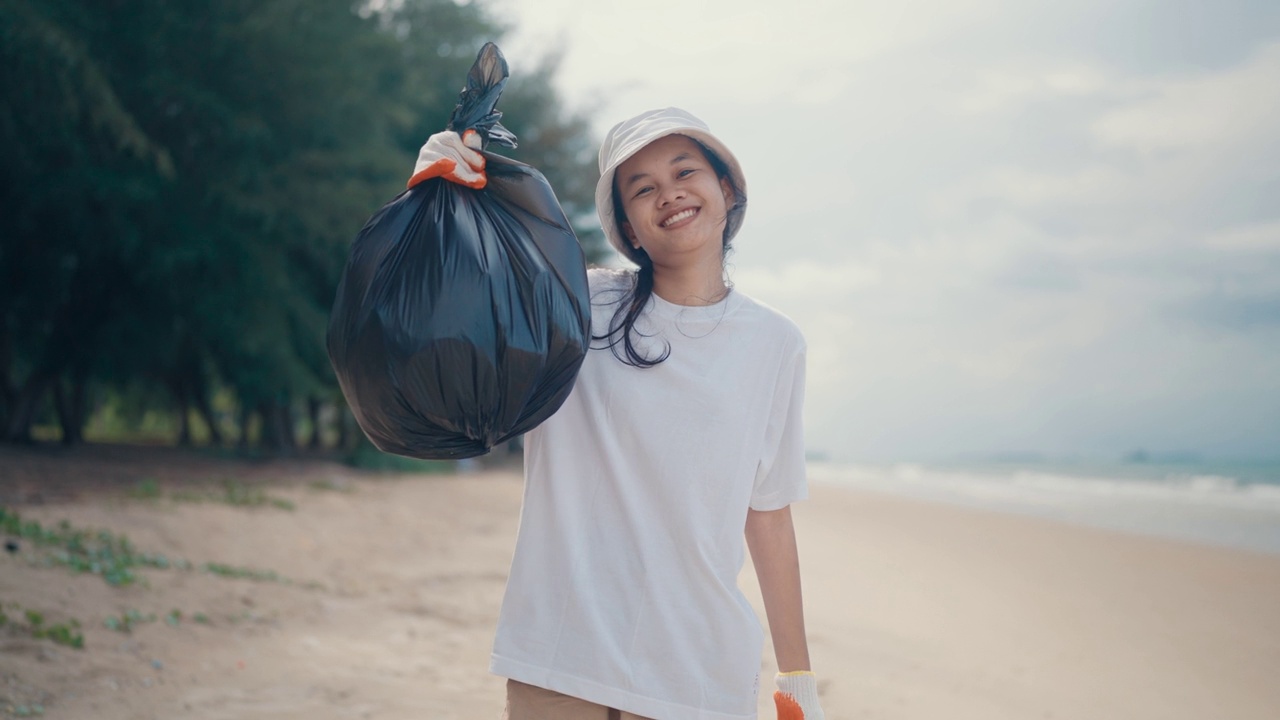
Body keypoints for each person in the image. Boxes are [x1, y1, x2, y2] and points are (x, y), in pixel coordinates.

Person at [412, 107, 823, 720]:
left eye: (686, 171)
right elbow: (459, 287)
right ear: (628, 227)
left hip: (696, 672)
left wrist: (797, 676)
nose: (670, 194)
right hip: (559, 655)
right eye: (644, 188)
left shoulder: (775, 342)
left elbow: (767, 515)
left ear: (727, 190)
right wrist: (436, 195)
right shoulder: (576, 304)